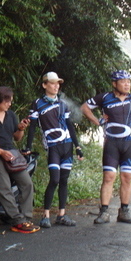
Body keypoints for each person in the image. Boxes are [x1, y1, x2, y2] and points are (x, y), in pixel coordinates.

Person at [80, 70, 131, 224]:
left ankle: (124, 211)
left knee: (126, 177)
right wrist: (97, 121)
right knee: (109, 177)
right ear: (114, 83)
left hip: (129, 144)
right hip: (112, 143)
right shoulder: (105, 97)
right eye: (123, 81)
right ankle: (104, 212)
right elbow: (84, 107)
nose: (127, 84)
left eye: (129, 81)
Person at [24, 72, 83, 228]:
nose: (56, 86)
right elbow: (32, 127)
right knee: (55, 179)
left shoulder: (63, 104)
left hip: (67, 145)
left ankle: (62, 215)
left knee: (64, 180)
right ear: (44, 85)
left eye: (58, 83)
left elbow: (70, 125)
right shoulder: (37, 103)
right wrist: (28, 147)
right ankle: (46, 215)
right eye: (52, 83)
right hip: (52, 146)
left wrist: (77, 147)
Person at [0, 86, 39, 233]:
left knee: (27, 184)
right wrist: (1, 152)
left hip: (12, 154)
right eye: (7, 101)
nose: (10, 104)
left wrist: (21, 128)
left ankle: (26, 218)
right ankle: (18, 221)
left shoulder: (11, 115)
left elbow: (16, 138)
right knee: (4, 188)